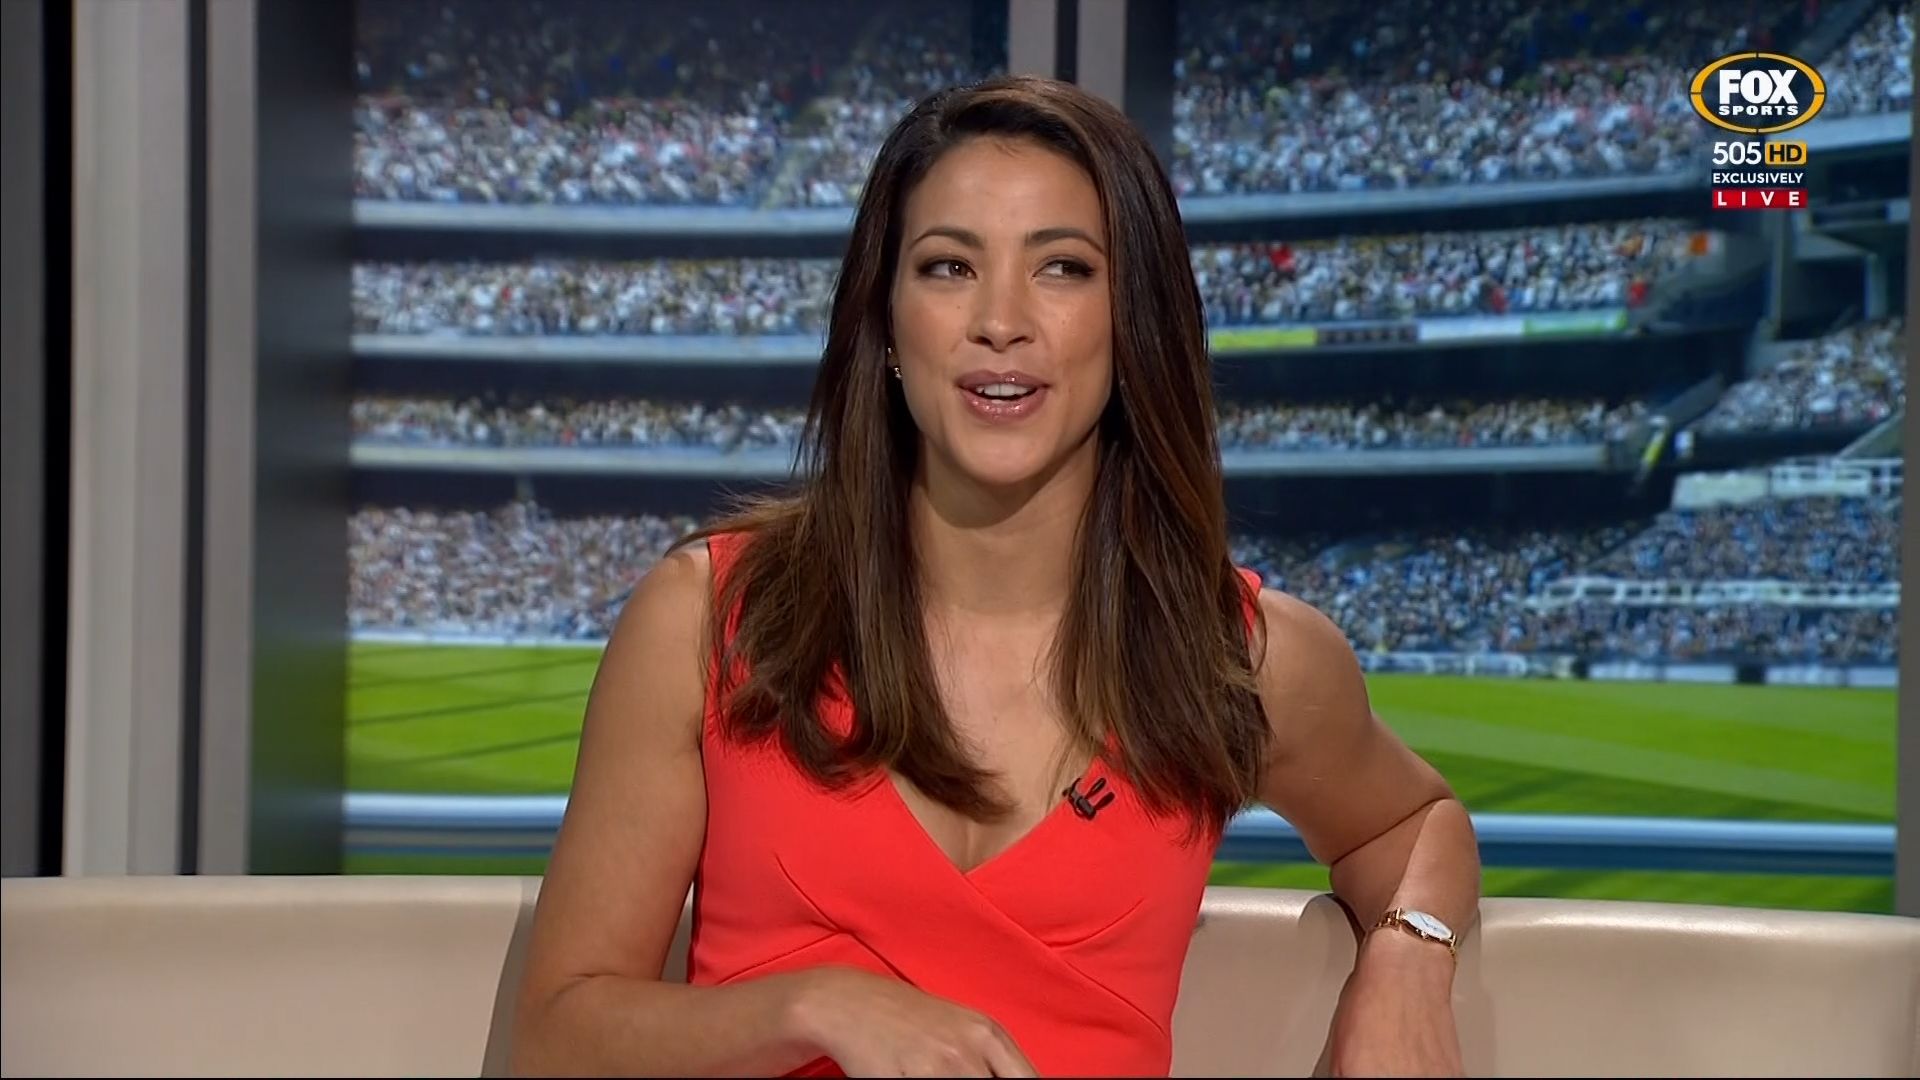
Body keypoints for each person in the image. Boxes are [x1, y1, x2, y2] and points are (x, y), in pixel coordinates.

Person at [508, 74, 1480, 1078]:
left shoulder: (1239, 656)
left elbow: (1414, 825)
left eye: (1062, 268)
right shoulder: (710, 617)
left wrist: (1408, 963)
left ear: (1132, 322)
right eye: (948, 266)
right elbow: (556, 1039)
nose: (1001, 320)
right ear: (887, 323)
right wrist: (810, 1006)